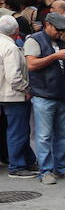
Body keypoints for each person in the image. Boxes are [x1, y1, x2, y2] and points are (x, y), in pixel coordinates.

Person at [25, 12, 65, 183]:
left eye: (63, 30)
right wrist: (55, 56)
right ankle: (45, 171)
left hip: (62, 95)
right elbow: (31, 64)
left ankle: (60, 168)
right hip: (44, 95)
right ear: (47, 25)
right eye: (58, 29)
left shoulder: (61, 43)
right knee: (44, 136)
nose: (61, 33)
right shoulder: (34, 40)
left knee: (62, 134)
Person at [0, 15, 33, 177]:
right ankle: (17, 166)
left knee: (9, 131)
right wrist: (26, 89)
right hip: (13, 96)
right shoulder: (10, 48)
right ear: (17, 31)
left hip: (3, 94)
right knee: (18, 131)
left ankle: (24, 160)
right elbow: (14, 77)